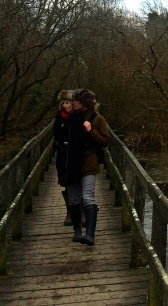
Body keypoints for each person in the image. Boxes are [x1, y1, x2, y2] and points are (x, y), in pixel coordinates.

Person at [70, 88, 110, 246]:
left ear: (84, 102)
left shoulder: (98, 119)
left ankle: (90, 235)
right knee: (74, 199)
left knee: (88, 196)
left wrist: (90, 130)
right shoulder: (73, 117)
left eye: (76, 100)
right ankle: (77, 231)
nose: (73, 102)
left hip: (90, 162)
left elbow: (105, 142)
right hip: (73, 162)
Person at [55, 90, 86, 242]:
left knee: (83, 189)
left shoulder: (79, 116)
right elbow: (56, 136)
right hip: (64, 157)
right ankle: (73, 217)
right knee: (68, 185)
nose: (66, 105)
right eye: (64, 103)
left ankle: (82, 215)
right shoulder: (58, 118)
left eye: (69, 102)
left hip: (77, 157)